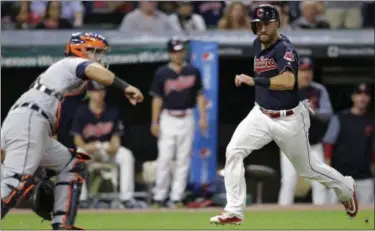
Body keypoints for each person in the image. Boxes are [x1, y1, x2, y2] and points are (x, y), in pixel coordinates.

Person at [209, 4, 358, 225]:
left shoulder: (285, 49)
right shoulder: (256, 44)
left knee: (307, 169)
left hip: (288, 118)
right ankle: (234, 211)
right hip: (260, 114)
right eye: (257, 24)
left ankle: (346, 188)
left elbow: (288, 82)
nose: (261, 28)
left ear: (277, 24)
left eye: (266, 23)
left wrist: (255, 80)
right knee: (233, 151)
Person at [0, 32, 143, 230]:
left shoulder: (66, 83)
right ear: (82, 50)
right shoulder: (70, 64)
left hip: (32, 124)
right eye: (96, 52)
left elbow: (52, 126)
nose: (100, 58)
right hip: (29, 121)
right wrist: (125, 86)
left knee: (72, 164)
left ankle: (63, 225)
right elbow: (91, 69)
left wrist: (42, 172)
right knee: (13, 184)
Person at [149, 37, 207, 208]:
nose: (178, 54)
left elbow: (199, 95)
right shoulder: (162, 73)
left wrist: (202, 117)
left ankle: (176, 197)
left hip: (187, 116)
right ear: (169, 53)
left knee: (183, 159)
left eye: (180, 51)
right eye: (175, 51)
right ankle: (159, 196)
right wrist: (155, 121)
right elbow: (157, 99)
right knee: (165, 158)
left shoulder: (193, 71)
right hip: (168, 117)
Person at [72, 81, 143, 209]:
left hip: (106, 149)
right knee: (77, 155)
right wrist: (91, 147)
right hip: (89, 151)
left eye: (101, 91)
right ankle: (81, 199)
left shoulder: (112, 111)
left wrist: (111, 147)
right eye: (95, 91)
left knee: (126, 155)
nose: (98, 94)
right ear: (89, 93)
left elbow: (116, 139)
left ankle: (126, 198)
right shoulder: (81, 112)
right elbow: (78, 141)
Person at [278, 57, 333, 205]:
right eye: (302, 71)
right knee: (288, 182)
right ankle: (281, 221)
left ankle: (321, 222)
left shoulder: (318, 90)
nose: (306, 74)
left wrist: (314, 111)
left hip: (313, 144)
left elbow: (328, 114)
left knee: (320, 183)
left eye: (309, 70)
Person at [323, 83, 374, 205]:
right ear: (353, 97)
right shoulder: (339, 119)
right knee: (333, 217)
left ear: (369, 98)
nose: (362, 98)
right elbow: (328, 148)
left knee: (367, 218)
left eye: (366, 95)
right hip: (340, 177)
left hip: (364, 178)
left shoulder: (372, 122)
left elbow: (373, 154)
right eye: (359, 94)